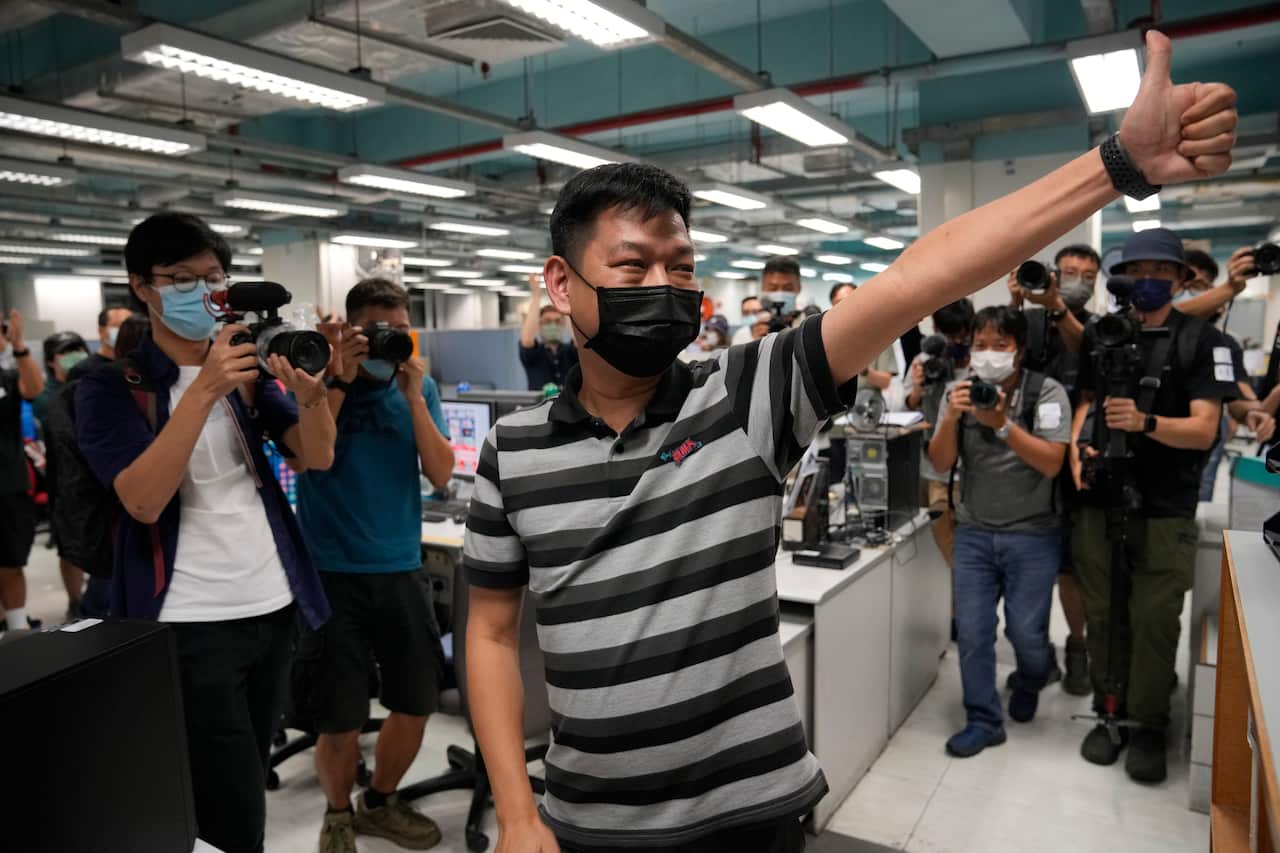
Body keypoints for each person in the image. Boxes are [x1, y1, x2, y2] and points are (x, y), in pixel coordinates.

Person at [463, 32, 1238, 849]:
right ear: (560, 282)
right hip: (583, 819)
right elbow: (487, 633)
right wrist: (517, 811)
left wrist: (1117, 164)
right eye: (632, 267)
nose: (663, 287)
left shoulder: (745, 393)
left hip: (749, 813)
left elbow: (921, 274)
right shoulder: (512, 452)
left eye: (681, 266)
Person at [75, 212, 337, 853]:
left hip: (273, 606)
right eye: (182, 279)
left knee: (244, 773)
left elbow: (317, 456)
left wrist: (310, 395)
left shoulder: (245, 373)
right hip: (190, 620)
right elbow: (141, 500)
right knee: (230, 805)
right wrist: (203, 389)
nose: (204, 291)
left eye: (215, 277)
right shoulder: (112, 387)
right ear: (142, 286)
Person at [1070, 227, 1239, 784]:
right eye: (1137, 270)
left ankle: (1148, 723)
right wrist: (1079, 445)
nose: (1146, 281)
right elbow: (1090, 400)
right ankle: (1109, 711)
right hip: (1101, 499)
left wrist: (1145, 424)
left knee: (1153, 618)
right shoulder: (1104, 331)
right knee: (1103, 613)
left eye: (1159, 272)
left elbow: (1204, 429)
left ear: (1181, 278)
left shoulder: (1203, 341)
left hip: (1165, 505)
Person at [297, 278, 453, 853]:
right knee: (338, 717)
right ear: (353, 329)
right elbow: (316, 455)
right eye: (376, 331)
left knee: (416, 701)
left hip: (400, 567)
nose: (389, 340)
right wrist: (337, 375)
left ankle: (380, 800)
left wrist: (413, 396)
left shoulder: (421, 388)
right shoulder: (318, 385)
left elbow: (440, 474)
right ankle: (337, 814)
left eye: (399, 329)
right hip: (331, 573)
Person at [928, 306, 1071, 757]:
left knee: (1026, 632)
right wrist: (950, 418)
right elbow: (940, 462)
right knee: (971, 630)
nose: (988, 355)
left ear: (1020, 350)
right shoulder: (959, 392)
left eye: (1000, 345)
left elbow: (1052, 462)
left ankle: (1033, 674)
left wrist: (1003, 425)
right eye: (980, 345)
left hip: (1033, 533)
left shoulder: (1046, 392)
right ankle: (984, 718)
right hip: (973, 531)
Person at [1004, 243, 1104, 696]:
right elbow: (1003, 356)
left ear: (1097, 280)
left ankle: (1077, 648)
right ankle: (1035, 653)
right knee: (1030, 564)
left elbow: (1091, 355)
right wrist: (1016, 303)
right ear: (1053, 273)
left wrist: (1058, 308)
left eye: (1087, 273)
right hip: (1027, 458)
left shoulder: (1103, 327)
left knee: (1071, 566)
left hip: (1077, 463)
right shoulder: (1029, 319)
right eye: (1067, 272)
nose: (1077, 278)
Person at [904, 298, 974, 568]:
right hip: (936, 468)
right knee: (946, 549)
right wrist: (919, 387)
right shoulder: (924, 360)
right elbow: (908, 406)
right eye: (947, 334)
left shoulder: (980, 359)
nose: (954, 341)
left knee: (969, 547)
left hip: (972, 467)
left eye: (960, 334)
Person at [0, 309, 44, 632]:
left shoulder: (8, 378)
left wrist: (19, 347)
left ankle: (17, 631)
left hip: (8, 486)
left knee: (9, 564)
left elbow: (34, 388)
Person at [519, 273, 578, 392]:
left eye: (557, 321)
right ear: (539, 325)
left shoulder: (570, 351)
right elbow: (526, 339)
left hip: (568, 409)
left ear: (563, 324)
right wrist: (536, 295)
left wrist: (564, 299)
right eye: (547, 321)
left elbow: (579, 340)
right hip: (540, 408)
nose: (553, 325)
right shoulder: (534, 354)